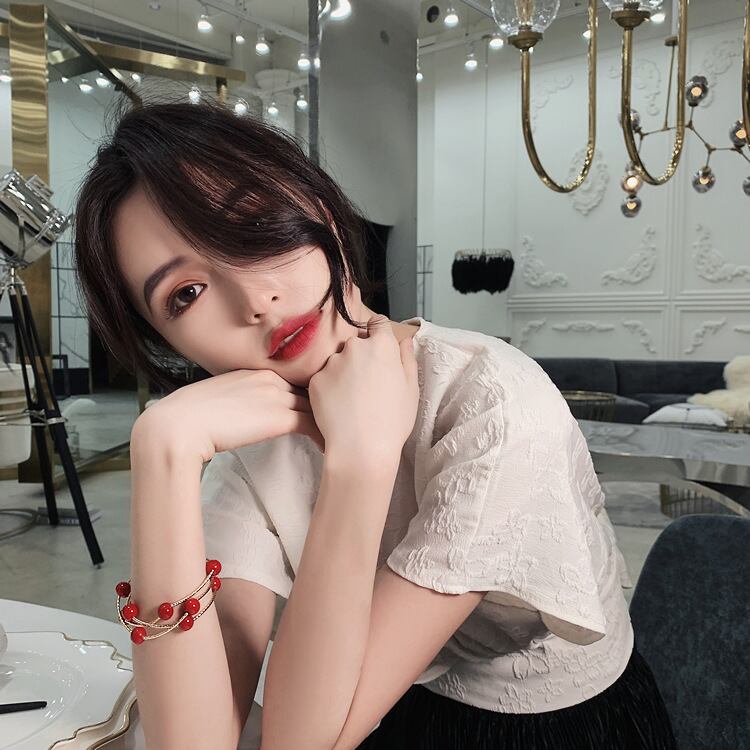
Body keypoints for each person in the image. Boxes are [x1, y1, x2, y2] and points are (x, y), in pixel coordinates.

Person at [73, 96, 677, 750]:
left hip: (554, 729)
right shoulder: (250, 444)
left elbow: (300, 742)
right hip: (377, 710)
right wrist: (162, 452)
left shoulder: (489, 399)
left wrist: (360, 457)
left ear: (320, 208)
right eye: (186, 294)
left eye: (250, 225)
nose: (255, 301)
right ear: (167, 343)